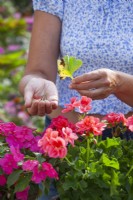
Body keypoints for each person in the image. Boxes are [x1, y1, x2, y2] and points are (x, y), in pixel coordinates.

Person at [19, 0, 133, 199]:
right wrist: (35, 83)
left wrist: (120, 84)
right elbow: (37, 71)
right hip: (64, 143)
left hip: (127, 147)